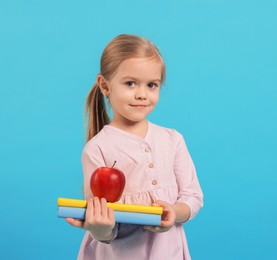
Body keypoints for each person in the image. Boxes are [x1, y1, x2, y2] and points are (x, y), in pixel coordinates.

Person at [65, 34, 204, 260]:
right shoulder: (97, 149)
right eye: (130, 83)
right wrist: (100, 228)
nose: (142, 94)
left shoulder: (173, 139)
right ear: (105, 85)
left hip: (168, 253)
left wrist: (174, 212)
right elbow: (104, 227)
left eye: (151, 85)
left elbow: (193, 196)